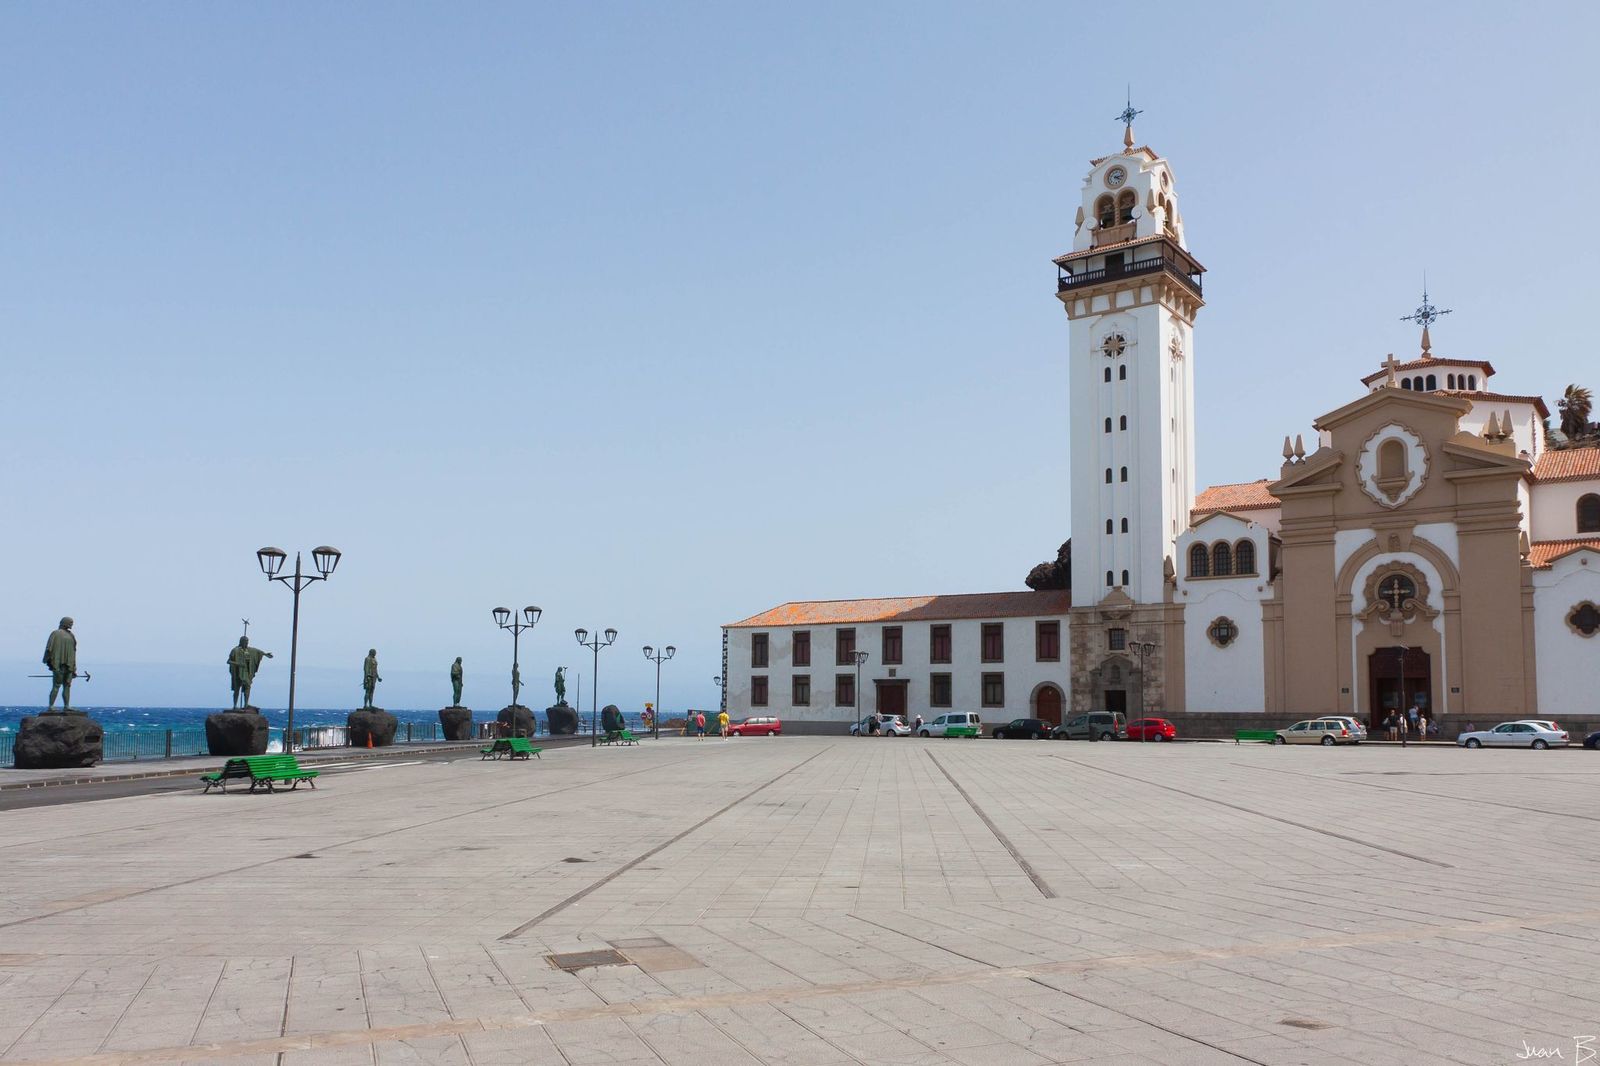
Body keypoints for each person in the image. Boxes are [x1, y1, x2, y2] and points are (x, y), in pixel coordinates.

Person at [227, 636, 273, 709]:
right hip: (237, 672)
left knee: (248, 686)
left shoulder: (250, 650)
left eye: (247, 641)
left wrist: (265, 654)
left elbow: (258, 652)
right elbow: (228, 661)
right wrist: (238, 663)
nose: (247, 643)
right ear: (241, 641)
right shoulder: (235, 650)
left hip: (246, 672)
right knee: (237, 689)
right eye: (245, 641)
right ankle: (235, 705)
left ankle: (246, 704)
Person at [43, 617, 78, 711]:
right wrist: (48, 661)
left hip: (69, 664)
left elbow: (74, 651)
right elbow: (49, 648)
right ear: (64, 622)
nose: (72, 624)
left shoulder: (71, 635)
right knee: (56, 685)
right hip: (58, 664)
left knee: (67, 685)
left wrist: (74, 667)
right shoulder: (55, 633)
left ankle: (67, 706)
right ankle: (51, 706)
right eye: (70, 622)